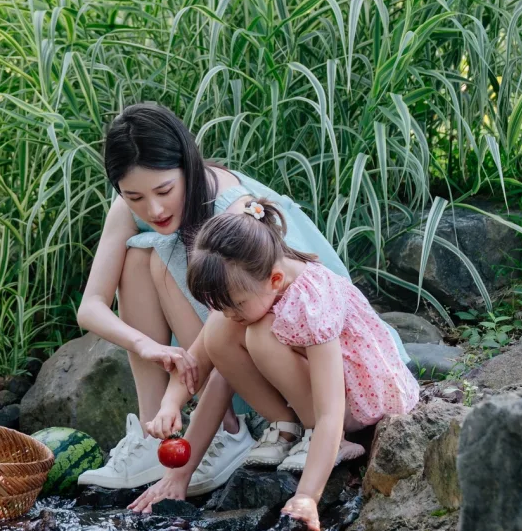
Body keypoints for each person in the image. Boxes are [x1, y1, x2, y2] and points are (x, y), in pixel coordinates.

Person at [75, 102, 406, 494]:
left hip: (300, 353)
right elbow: (90, 307)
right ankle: (157, 433)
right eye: (134, 197)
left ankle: (234, 430)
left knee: (179, 277)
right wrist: (145, 346)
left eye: (164, 190)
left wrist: (306, 498)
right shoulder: (135, 204)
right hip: (234, 341)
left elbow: (230, 326)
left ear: (188, 167)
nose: (154, 208)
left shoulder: (234, 216)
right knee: (140, 255)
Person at [129, 196, 419, 530]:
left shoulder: (313, 300)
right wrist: (178, 468)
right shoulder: (245, 287)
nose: (228, 313)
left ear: (275, 280)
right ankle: (287, 427)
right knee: (221, 335)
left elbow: (330, 412)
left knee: (257, 335)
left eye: (234, 305)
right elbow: (211, 363)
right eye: (220, 306)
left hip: (358, 402)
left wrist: (308, 495)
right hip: (326, 396)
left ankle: (325, 443)